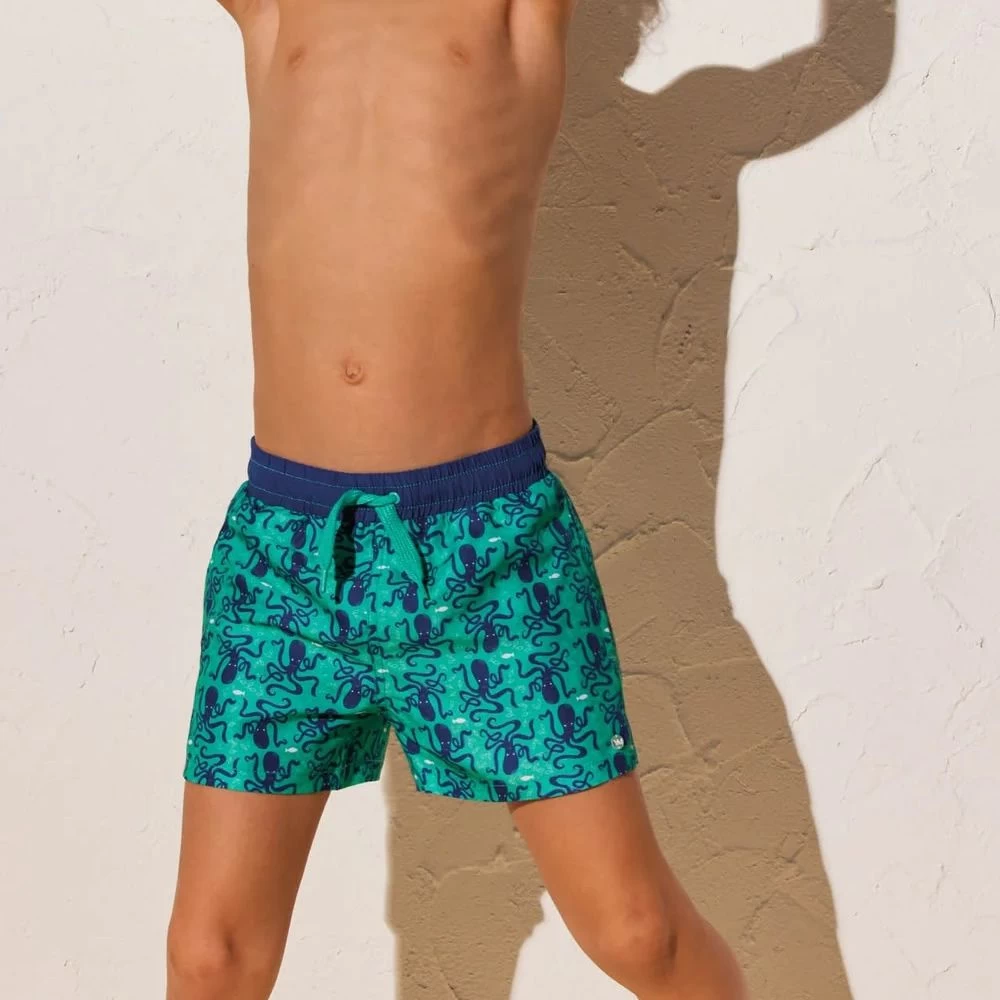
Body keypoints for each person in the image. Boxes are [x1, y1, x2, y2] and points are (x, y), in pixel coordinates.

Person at [166, 1, 748, 998]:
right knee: (210, 953)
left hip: (490, 550)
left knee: (637, 930)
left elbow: (844, 68)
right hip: (283, 556)